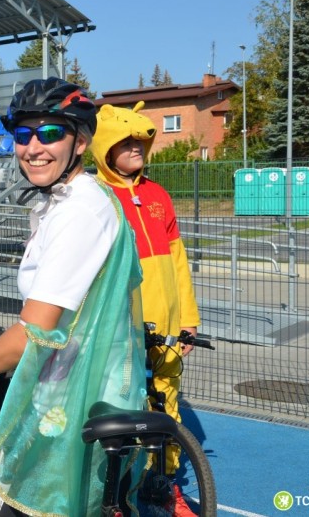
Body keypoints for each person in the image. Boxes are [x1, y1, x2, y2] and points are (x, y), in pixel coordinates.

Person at [0, 78, 147, 516]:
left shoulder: (80, 212)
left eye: (51, 133)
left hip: (77, 403)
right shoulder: (64, 203)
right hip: (67, 392)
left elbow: (35, 329)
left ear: (81, 142)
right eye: (23, 134)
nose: (34, 147)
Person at [91, 101, 201, 516]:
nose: (137, 146)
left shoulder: (158, 194)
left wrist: (188, 318)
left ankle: (163, 486)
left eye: (141, 139)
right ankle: (118, 490)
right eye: (126, 140)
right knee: (122, 410)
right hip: (120, 328)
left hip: (168, 328)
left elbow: (177, 260)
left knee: (166, 406)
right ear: (104, 147)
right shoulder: (96, 196)